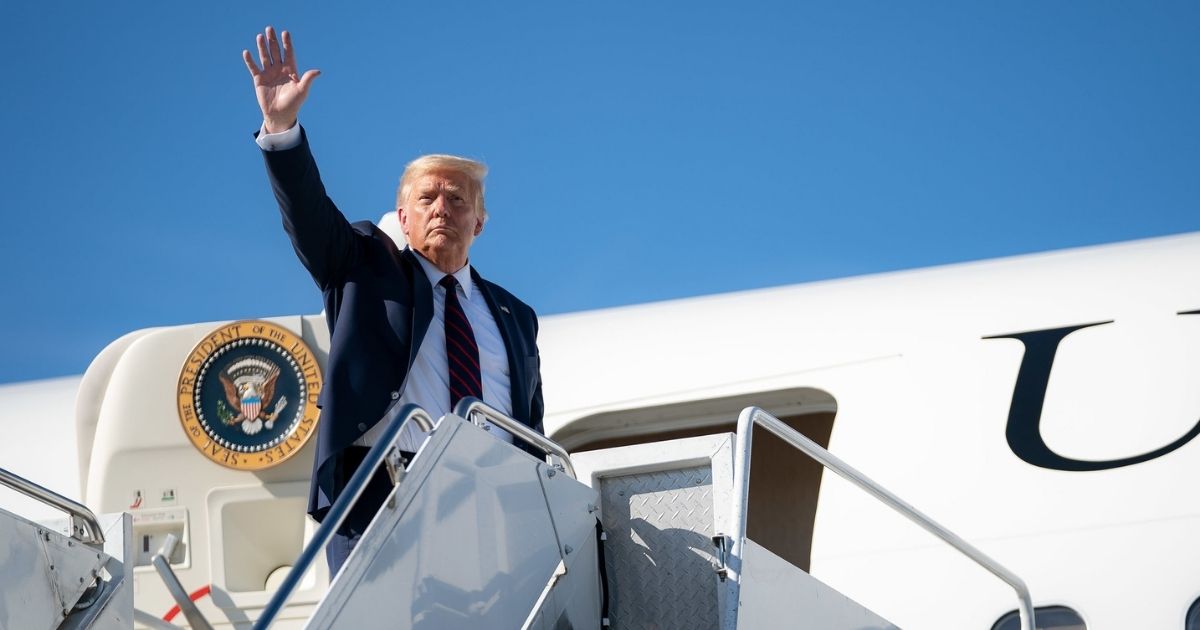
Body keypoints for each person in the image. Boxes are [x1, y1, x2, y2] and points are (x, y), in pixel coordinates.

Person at [242, 26, 546, 576]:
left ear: (480, 221)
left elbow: (531, 426)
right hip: (387, 494)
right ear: (402, 218)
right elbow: (308, 215)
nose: (442, 209)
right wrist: (282, 129)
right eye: (426, 198)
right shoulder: (364, 266)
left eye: (458, 199)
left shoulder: (516, 317)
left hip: (496, 511)